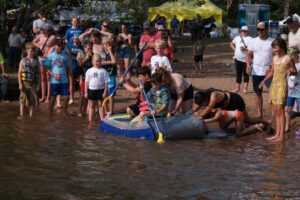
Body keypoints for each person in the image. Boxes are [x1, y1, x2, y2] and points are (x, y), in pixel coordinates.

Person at [259, 38, 297, 142]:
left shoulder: (288, 58)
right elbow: (272, 72)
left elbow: (295, 72)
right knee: (276, 111)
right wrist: (264, 80)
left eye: (275, 47)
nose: (274, 50)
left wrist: (291, 72)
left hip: (282, 85)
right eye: (273, 48)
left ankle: (281, 136)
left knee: (280, 110)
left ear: (281, 47)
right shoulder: (274, 58)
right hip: (273, 85)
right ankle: (277, 134)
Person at [246, 22, 273, 118]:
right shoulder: (252, 41)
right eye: (258, 29)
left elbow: (275, 56)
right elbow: (249, 54)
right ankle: (259, 113)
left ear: (266, 29)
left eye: (262, 29)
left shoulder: (272, 41)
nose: (260, 31)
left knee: (272, 92)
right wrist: (248, 65)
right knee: (257, 93)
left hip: (269, 71)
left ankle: (273, 113)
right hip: (256, 71)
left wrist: (271, 66)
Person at [42, 38, 72, 116]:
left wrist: (69, 77)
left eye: (61, 45)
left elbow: (68, 67)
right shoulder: (51, 55)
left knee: (66, 96)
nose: (60, 47)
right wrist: (53, 75)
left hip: (64, 80)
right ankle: (50, 113)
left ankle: (64, 112)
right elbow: (47, 68)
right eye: (58, 45)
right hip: (54, 81)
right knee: (53, 96)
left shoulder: (65, 55)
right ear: (54, 46)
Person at [32, 23, 56, 103]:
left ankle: (48, 97)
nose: (41, 30)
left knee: (48, 76)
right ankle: (43, 96)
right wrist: (39, 46)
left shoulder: (52, 37)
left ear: (48, 30)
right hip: (41, 58)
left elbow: (54, 47)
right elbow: (33, 41)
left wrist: (49, 53)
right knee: (42, 77)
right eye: (41, 29)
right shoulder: (40, 36)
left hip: (49, 59)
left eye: (43, 29)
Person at [18, 43, 40, 118]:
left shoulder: (36, 61)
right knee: (23, 99)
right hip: (25, 83)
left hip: (33, 83)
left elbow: (39, 74)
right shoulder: (23, 61)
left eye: (34, 51)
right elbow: (19, 73)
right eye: (31, 51)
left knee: (32, 99)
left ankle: (31, 115)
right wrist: (20, 84)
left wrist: (38, 85)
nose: (33, 52)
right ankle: (22, 115)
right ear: (27, 51)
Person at [85, 54, 109, 122]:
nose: (97, 63)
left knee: (100, 106)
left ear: (101, 61)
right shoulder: (89, 71)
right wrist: (86, 92)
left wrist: (105, 92)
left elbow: (106, 82)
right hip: (91, 90)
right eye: (96, 61)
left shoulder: (103, 71)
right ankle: (90, 121)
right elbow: (87, 82)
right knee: (91, 106)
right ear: (93, 61)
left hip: (100, 90)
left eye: (99, 61)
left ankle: (102, 120)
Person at [230, 26, 252, 93]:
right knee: (238, 73)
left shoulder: (251, 39)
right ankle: (237, 88)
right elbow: (231, 43)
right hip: (237, 59)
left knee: (246, 74)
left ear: (247, 31)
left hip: (246, 60)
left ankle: (245, 89)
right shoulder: (237, 37)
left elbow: (252, 50)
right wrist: (234, 49)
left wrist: (245, 49)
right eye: (242, 31)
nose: (243, 32)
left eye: (245, 31)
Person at [100, 38, 117, 117]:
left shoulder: (113, 52)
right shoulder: (102, 53)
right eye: (105, 45)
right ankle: (106, 110)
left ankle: (111, 111)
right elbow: (100, 63)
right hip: (103, 75)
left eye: (108, 45)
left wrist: (110, 52)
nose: (106, 46)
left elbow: (114, 61)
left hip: (111, 75)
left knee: (111, 94)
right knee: (104, 93)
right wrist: (109, 62)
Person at [285, 48, 300, 132]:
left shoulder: (298, 65)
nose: (290, 57)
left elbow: (293, 73)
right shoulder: (288, 65)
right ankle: (287, 127)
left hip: (299, 93)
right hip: (291, 93)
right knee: (287, 110)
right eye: (289, 55)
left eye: (292, 55)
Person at [77, 42, 93, 117]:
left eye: (90, 48)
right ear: (84, 48)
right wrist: (87, 58)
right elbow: (80, 64)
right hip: (83, 76)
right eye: (87, 48)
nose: (89, 50)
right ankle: (79, 111)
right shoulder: (80, 54)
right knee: (82, 94)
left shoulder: (93, 55)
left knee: (88, 94)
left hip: (91, 77)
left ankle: (84, 111)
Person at [66, 34, 83, 104]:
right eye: (75, 39)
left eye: (77, 39)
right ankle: (71, 98)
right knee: (71, 82)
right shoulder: (69, 45)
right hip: (72, 65)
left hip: (80, 66)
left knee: (80, 82)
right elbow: (67, 55)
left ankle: (81, 97)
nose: (76, 40)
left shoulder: (82, 46)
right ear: (73, 39)